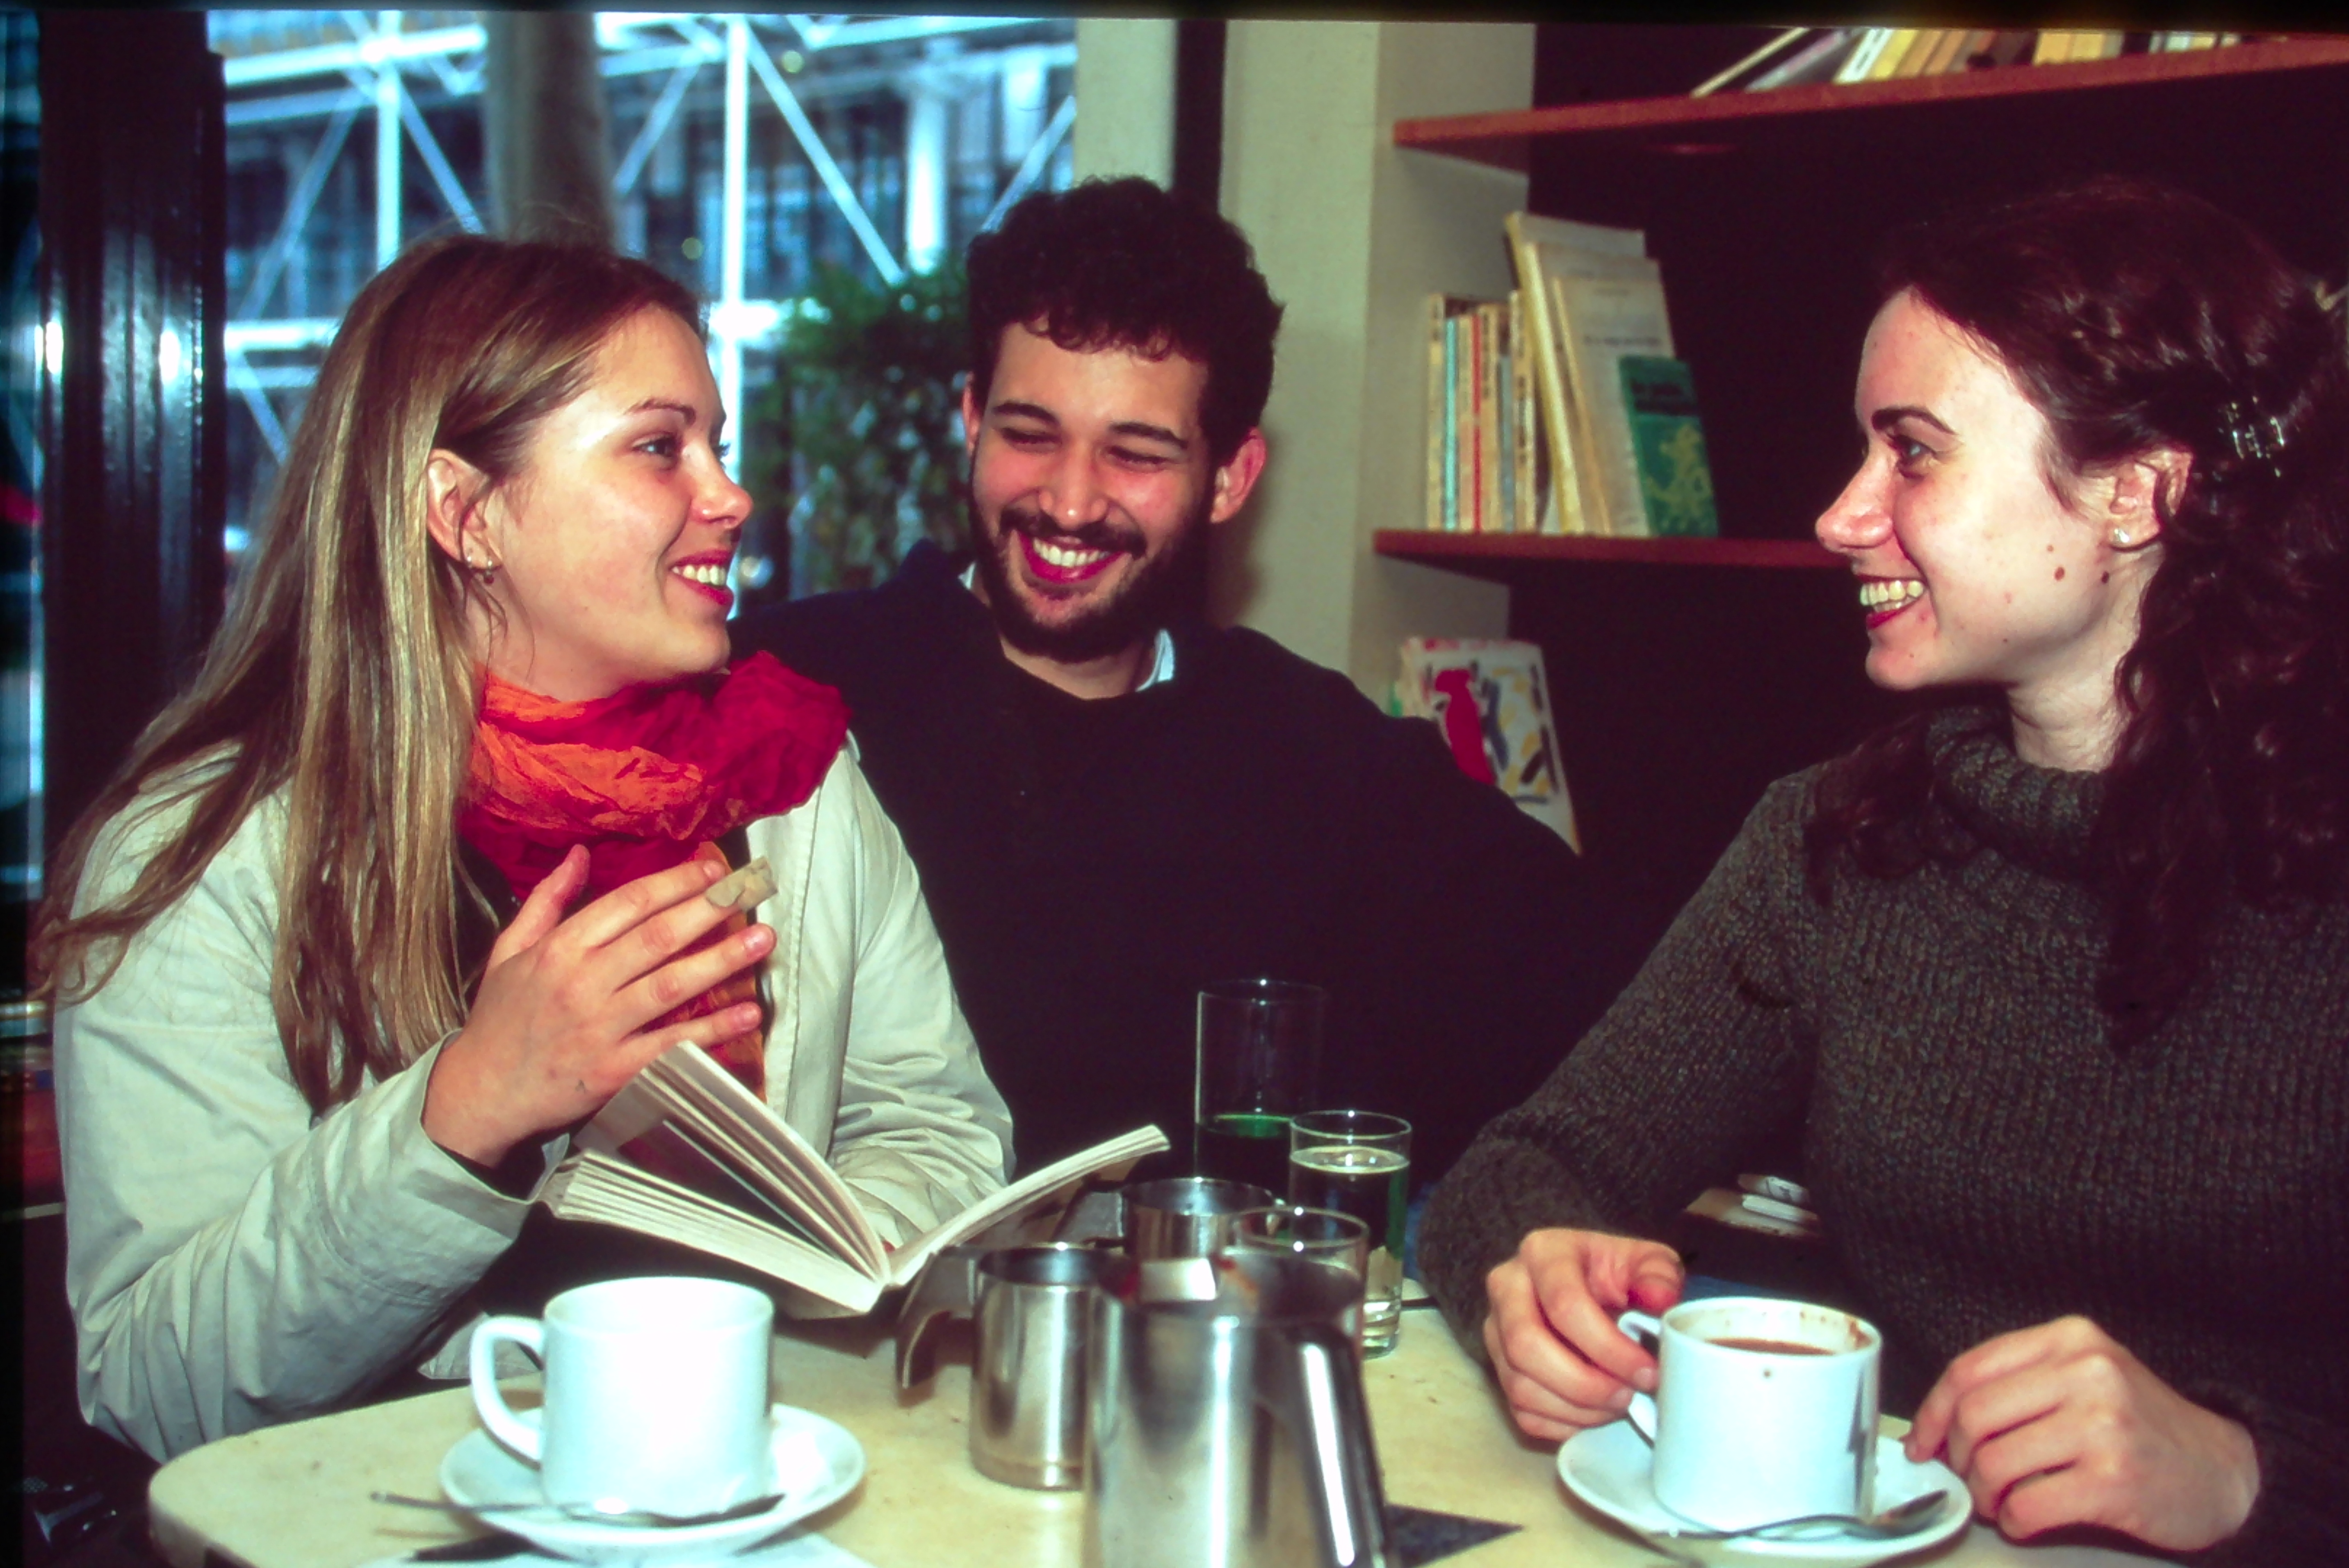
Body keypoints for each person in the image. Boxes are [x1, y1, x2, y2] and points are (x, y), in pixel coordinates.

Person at [1421, 179, 2349, 1564]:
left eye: (1911, 452)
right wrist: (1534, 1271)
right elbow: (1532, 1164)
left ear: (2138, 493)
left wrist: (2242, 1475)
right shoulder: (1839, 838)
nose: (1840, 516)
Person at [36, 237, 1010, 1463]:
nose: (731, 495)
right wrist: (461, 1112)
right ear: (464, 513)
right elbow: (158, 1387)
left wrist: (799, 1262)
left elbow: (935, 1124)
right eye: (660, 447)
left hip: (735, 1477)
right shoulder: (197, 854)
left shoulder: (790, 777)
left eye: (716, 443)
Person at [733, 177, 1610, 1182]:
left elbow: (1600, 981)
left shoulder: (1314, 748)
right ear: (971, 420)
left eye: (1135, 454)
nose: (1069, 502)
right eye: (1029, 435)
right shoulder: (781, 684)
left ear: (1231, 477)